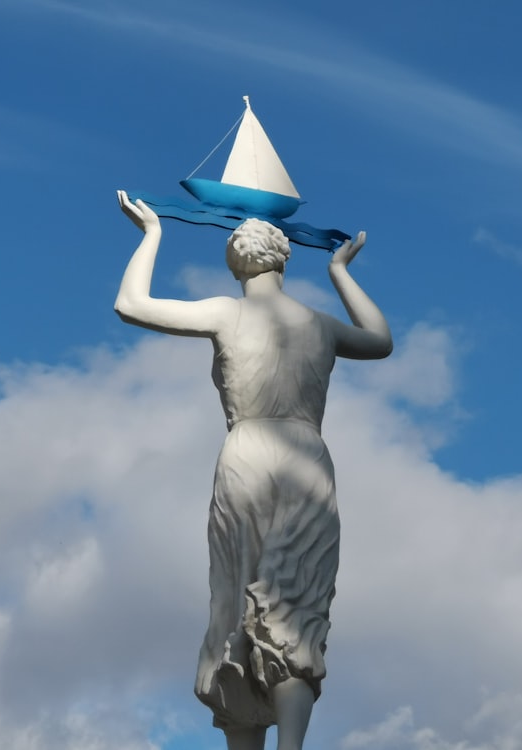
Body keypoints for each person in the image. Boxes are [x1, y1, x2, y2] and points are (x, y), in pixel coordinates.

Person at [115, 190, 392, 750]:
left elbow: (132, 305)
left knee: (237, 604)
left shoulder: (225, 312)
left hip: (244, 457)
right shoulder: (321, 325)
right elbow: (381, 340)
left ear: (234, 261)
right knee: (296, 601)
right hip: (306, 459)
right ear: (285, 259)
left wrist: (152, 235)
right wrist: (339, 272)